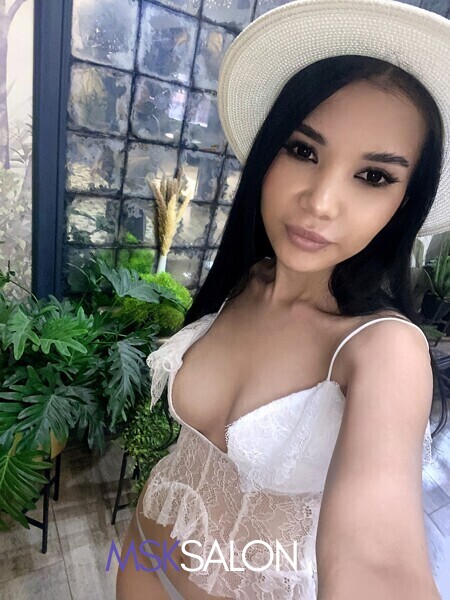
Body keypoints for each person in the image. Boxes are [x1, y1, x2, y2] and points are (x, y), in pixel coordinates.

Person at [116, 0, 450, 598]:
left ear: (405, 201)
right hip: (143, 560)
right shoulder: (246, 281)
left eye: (374, 176)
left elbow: (376, 561)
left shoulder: (382, 352)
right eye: (303, 150)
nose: (320, 202)